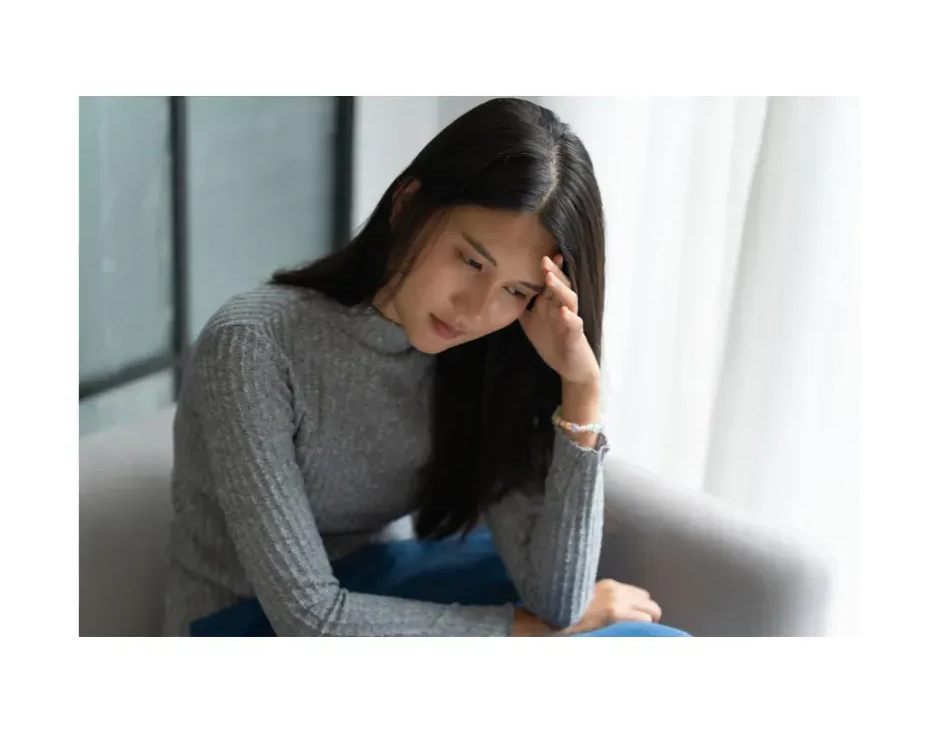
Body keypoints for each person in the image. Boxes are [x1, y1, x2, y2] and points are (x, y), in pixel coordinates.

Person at [162, 97, 690, 637]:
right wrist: (527, 634)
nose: (476, 308)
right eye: (472, 261)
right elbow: (309, 619)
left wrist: (580, 387)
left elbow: (559, 600)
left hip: (383, 589)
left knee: (651, 641)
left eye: (515, 290)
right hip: (247, 624)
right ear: (408, 205)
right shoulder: (252, 345)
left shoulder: (483, 355)